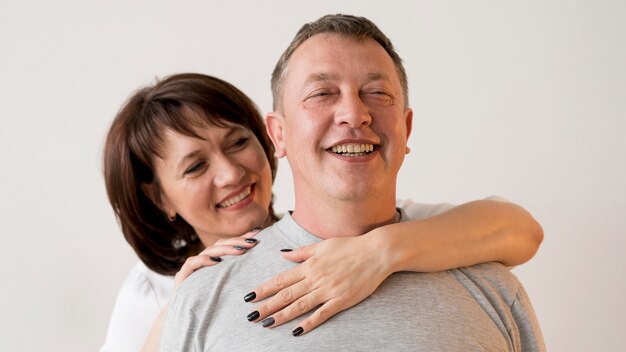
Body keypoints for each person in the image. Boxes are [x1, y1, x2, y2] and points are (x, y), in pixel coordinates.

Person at [160, 14, 545, 351]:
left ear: (406, 129)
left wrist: (380, 251)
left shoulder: (492, 286)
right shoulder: (204, 294)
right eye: (321, 93)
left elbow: (522, 229)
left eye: (377, 93)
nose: (354, 113)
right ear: (278, 135)